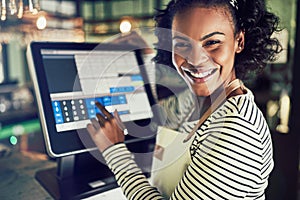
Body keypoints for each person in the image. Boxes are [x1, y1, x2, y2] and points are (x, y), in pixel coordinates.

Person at [86, 0, 282, 199]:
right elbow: (161, 111)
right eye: (181, 44)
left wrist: (114, 151)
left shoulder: (236, 131)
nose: (195, 60)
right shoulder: (203, 103)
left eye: (212, 42)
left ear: (239, 41)